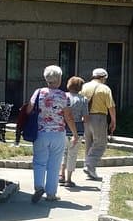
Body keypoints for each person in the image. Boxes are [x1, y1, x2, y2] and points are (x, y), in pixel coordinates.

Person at [29, 65, 78, 203]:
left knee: (39, 162)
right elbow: (68, 116)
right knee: (54, 164)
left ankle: (39, 186)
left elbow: (29, 109)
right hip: (58, 133)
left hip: (40, 132)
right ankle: (51, 194)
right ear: (59, 79)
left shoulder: (38, 92)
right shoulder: (63, 95)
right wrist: (74, 133)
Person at [79, 68, 116, 181]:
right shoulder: (105, 88)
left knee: (89, 143)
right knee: (100, 143)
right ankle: (90, 164)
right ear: (103, 77)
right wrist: (113, 121)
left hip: (85, 118)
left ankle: (90, 169)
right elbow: (111, 106)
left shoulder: (84, 87)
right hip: (99, 117)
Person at [59, 76, 88, 186]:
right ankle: (69, 179)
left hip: (63, 127)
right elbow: (85, 117)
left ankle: (61, 175)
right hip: (78, 129)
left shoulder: (63, 96)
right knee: (73, 153)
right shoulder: (83, 99)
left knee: (63, 152)